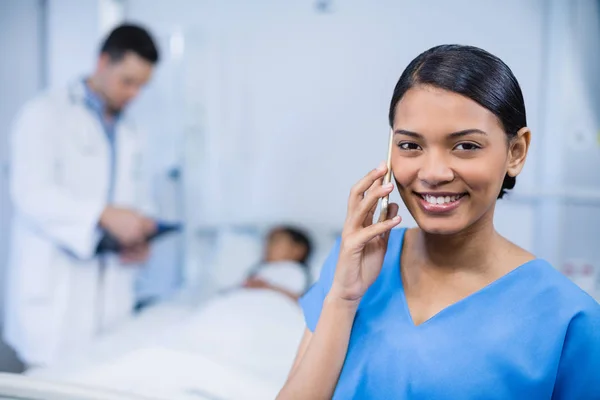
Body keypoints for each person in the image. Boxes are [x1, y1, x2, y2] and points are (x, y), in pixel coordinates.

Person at [277, 45, 600, 399]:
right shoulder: (351, 263)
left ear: (516, 151)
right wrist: (342, 299)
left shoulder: (569, 319)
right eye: (410, 146)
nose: (432, 174)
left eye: (465, 146)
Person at [4, 24, 160, 368]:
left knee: (101, 373)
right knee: (51, 380)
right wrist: (103, 215)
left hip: (111, 294)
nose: (134, 94)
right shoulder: (44, 113)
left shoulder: (132, 131)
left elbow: (137, 196)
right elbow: (30, 193)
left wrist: (139, 231)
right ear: (103, 62)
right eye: (127, 81)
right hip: (56, 294)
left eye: (142, 86)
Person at [243, 226, 313, 301]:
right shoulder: (260, 269)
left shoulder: (294, 271)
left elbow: (299, 300)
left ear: (297, 250)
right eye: (268, 242)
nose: (268, 246)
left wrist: (268, 288)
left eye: (276, 242)